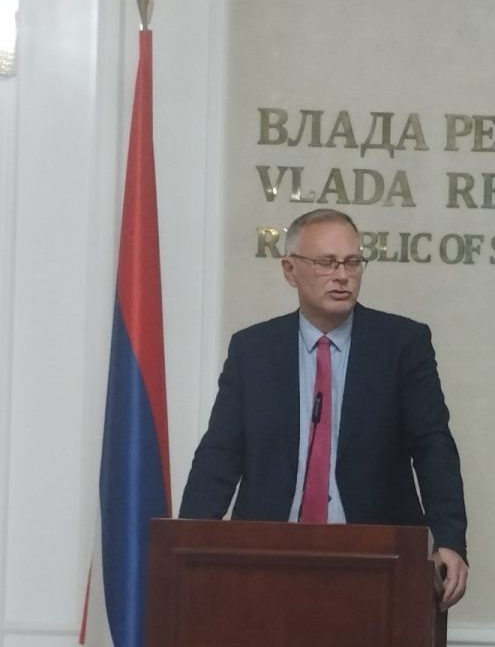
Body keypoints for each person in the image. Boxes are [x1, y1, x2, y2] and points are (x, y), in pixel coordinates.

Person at [179, 208, 468, 609]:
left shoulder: (402, 344)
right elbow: (221, 452)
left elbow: (433, 445)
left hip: (379, 557)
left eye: (352, 262)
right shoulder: (253, 350)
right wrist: (189, 542)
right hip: (266, 555)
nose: (342, 275)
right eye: (327, 262)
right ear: (290, 270)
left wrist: (449, 538)